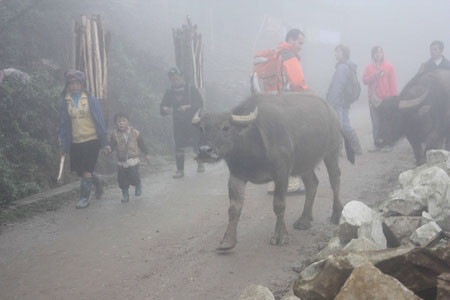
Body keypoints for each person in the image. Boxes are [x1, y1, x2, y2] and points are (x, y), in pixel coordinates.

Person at [59, 70, 107, 209]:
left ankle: (84, 198)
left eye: (77, 83)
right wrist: (63, 144)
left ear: (82, 84)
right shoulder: (65, 101)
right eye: (71, 84)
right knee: (80, 171)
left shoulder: (90, 99)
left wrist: (104, 142)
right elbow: (63, 124)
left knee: (86, 170)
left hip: (92, 140)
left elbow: (100, 121)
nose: (74, 86)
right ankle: (97, 180)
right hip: (75, 141)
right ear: (67, 85)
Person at [160, 67, 204, 179]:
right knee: (179, 146)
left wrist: (188, 107)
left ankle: (200, 161)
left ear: (181, 77)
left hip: (193, 122)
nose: (175, 81)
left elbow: (200, 103)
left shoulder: (190, 88)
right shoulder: (169, 92)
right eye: (172, 80)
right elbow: (163, 106)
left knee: (196, 144)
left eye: (176, 79)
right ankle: (180, 170)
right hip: (178, 123)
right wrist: (164, 109)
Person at [104, 112, 151, 203]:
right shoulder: (115, 134)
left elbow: (142, 144)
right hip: (121, 161)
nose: (121, 123)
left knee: (133, 176)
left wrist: (147, 153)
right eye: (119, 121)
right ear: (116, 123)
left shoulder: (135, 132)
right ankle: (125, 194)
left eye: (123, 121)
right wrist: (109, 149)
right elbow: (112, 144)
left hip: (133, 160)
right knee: (122, 179)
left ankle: (137, 184)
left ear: (128, 122)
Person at [326, 44, 362, 154]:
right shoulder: (349, 66)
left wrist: (330, 103)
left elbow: (338, 86)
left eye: (338, 52)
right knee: (345, 124)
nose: (336, 54)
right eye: (335, 51)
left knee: (338, 126)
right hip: (345, 101)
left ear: (344, 54)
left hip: (339, 101)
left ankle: (337, 151)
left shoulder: (342, 67)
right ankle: (356, 148)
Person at [362, 46, 397, 152]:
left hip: (386, 99)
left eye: (380, 52)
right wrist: (374, 75)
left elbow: (393, 83)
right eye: (376, 53)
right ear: (373, 55)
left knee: (386, 122)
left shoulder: (389, 67)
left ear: (383, 54)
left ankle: (388, 144)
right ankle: (377, 145)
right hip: (373, 99)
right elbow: (364, 80)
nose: (378, 55)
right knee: (376, 123)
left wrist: (394, 99)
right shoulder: (369, 68)